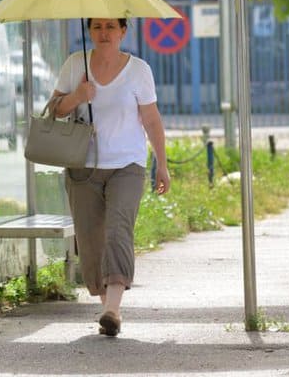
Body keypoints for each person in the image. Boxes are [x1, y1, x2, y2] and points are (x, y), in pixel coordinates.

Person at [47, 17, 170, 337]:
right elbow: (54, 110)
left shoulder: (139, 70)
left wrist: (162, 164)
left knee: (118, 230)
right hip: (82, 165)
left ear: (123, 31)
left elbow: (152, 120)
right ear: (89, 31)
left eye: (111, 27)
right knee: (90, 241)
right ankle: (107, 309)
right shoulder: (75, 65)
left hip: (127, 165)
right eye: (97, 27)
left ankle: (113, 308)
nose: (104, 33)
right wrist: (78, 96)